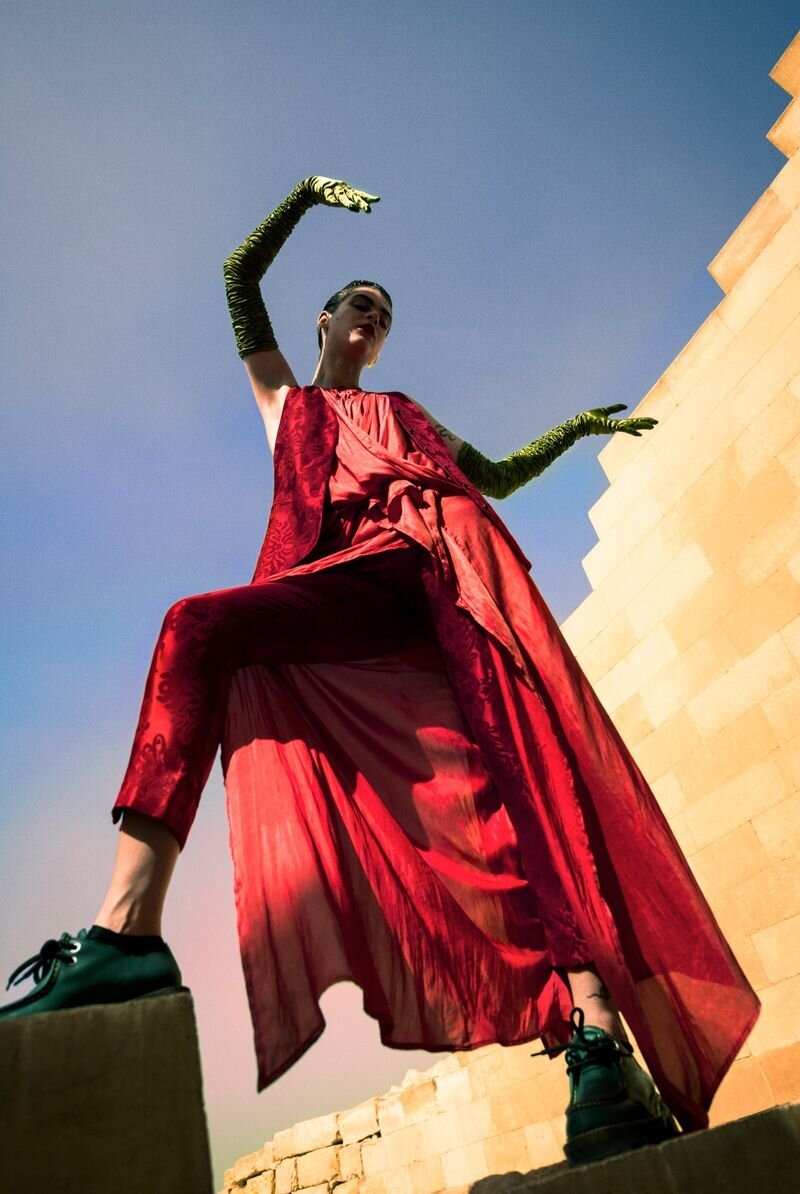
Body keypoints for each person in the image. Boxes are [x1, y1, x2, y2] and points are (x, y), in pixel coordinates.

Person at [1, 177, 758, 1166]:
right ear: (326, 320)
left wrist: (573, 432)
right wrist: (301, 199)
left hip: (441, 575)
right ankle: (125, 937)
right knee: (195, 629)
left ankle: (596, 1041)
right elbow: (238, 276)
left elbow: (494, 477)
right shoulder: (286, 402)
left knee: (520, 782)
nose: (375, 318)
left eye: (386, 315)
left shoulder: (404, 412)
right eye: (362, 304)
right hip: (343, 588)